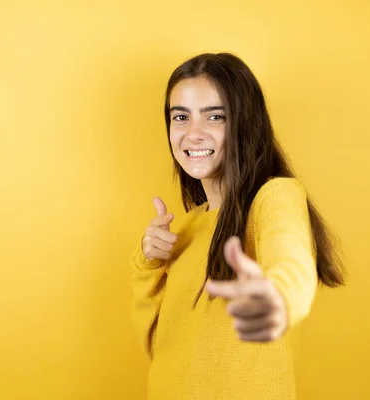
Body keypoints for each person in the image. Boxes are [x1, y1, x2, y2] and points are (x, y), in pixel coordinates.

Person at [130, 52, 345, 400]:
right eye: (181, 117)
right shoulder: (184, 229)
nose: (193, 134)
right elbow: (159, 348)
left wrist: (277, 299)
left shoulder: (275, 196)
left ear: (245, 122)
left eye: (215, 116)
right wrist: (149, 265)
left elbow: (291, 258)